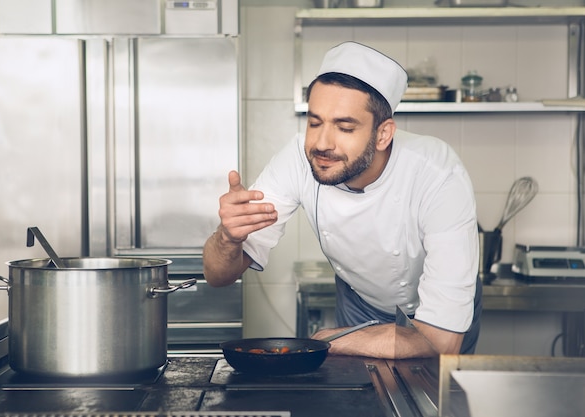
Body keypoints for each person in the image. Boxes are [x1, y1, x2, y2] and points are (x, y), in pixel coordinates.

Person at [203, 41, 481, 359]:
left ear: (383, 134)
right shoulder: (296, 158)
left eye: (345, 127)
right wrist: (227, 238)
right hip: (359, 302)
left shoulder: (437, 172)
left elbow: (441, 342)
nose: (322, 143)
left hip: (440, 316)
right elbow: (217, 277)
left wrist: (332, 342)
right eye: (314, 122)